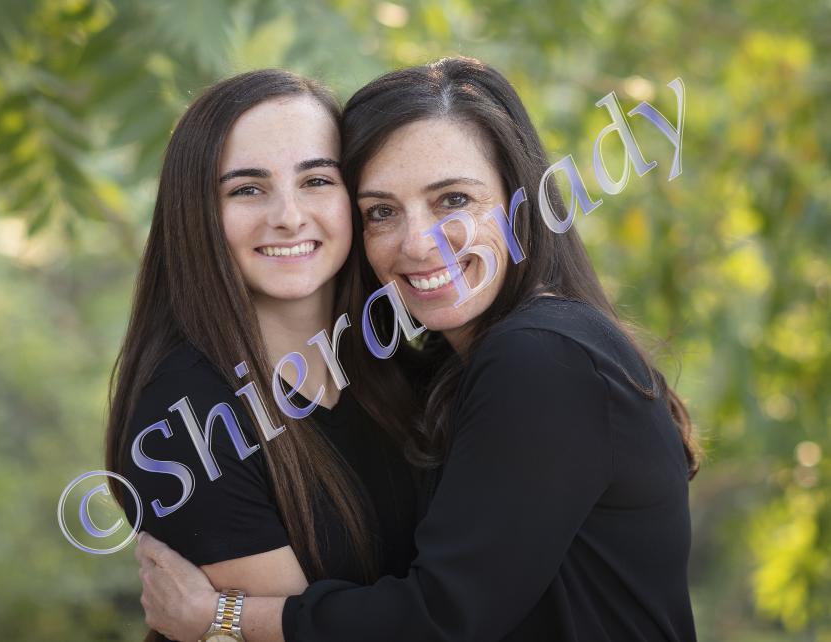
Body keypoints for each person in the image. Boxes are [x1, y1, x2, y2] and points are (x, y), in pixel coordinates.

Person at [135, 56, 700, 642]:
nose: (419, 244)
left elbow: (443, 617)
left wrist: (219, 617)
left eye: (453, 200)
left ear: (520, 201)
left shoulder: (539, 358)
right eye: (381, 212)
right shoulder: (428, 370)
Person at [104, 70, 423, 641]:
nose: (289, 216)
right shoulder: (186, 420)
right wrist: (225, 621)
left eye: (317, 180)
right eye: (246, 189)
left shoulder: (401, 362)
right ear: (197, 212)